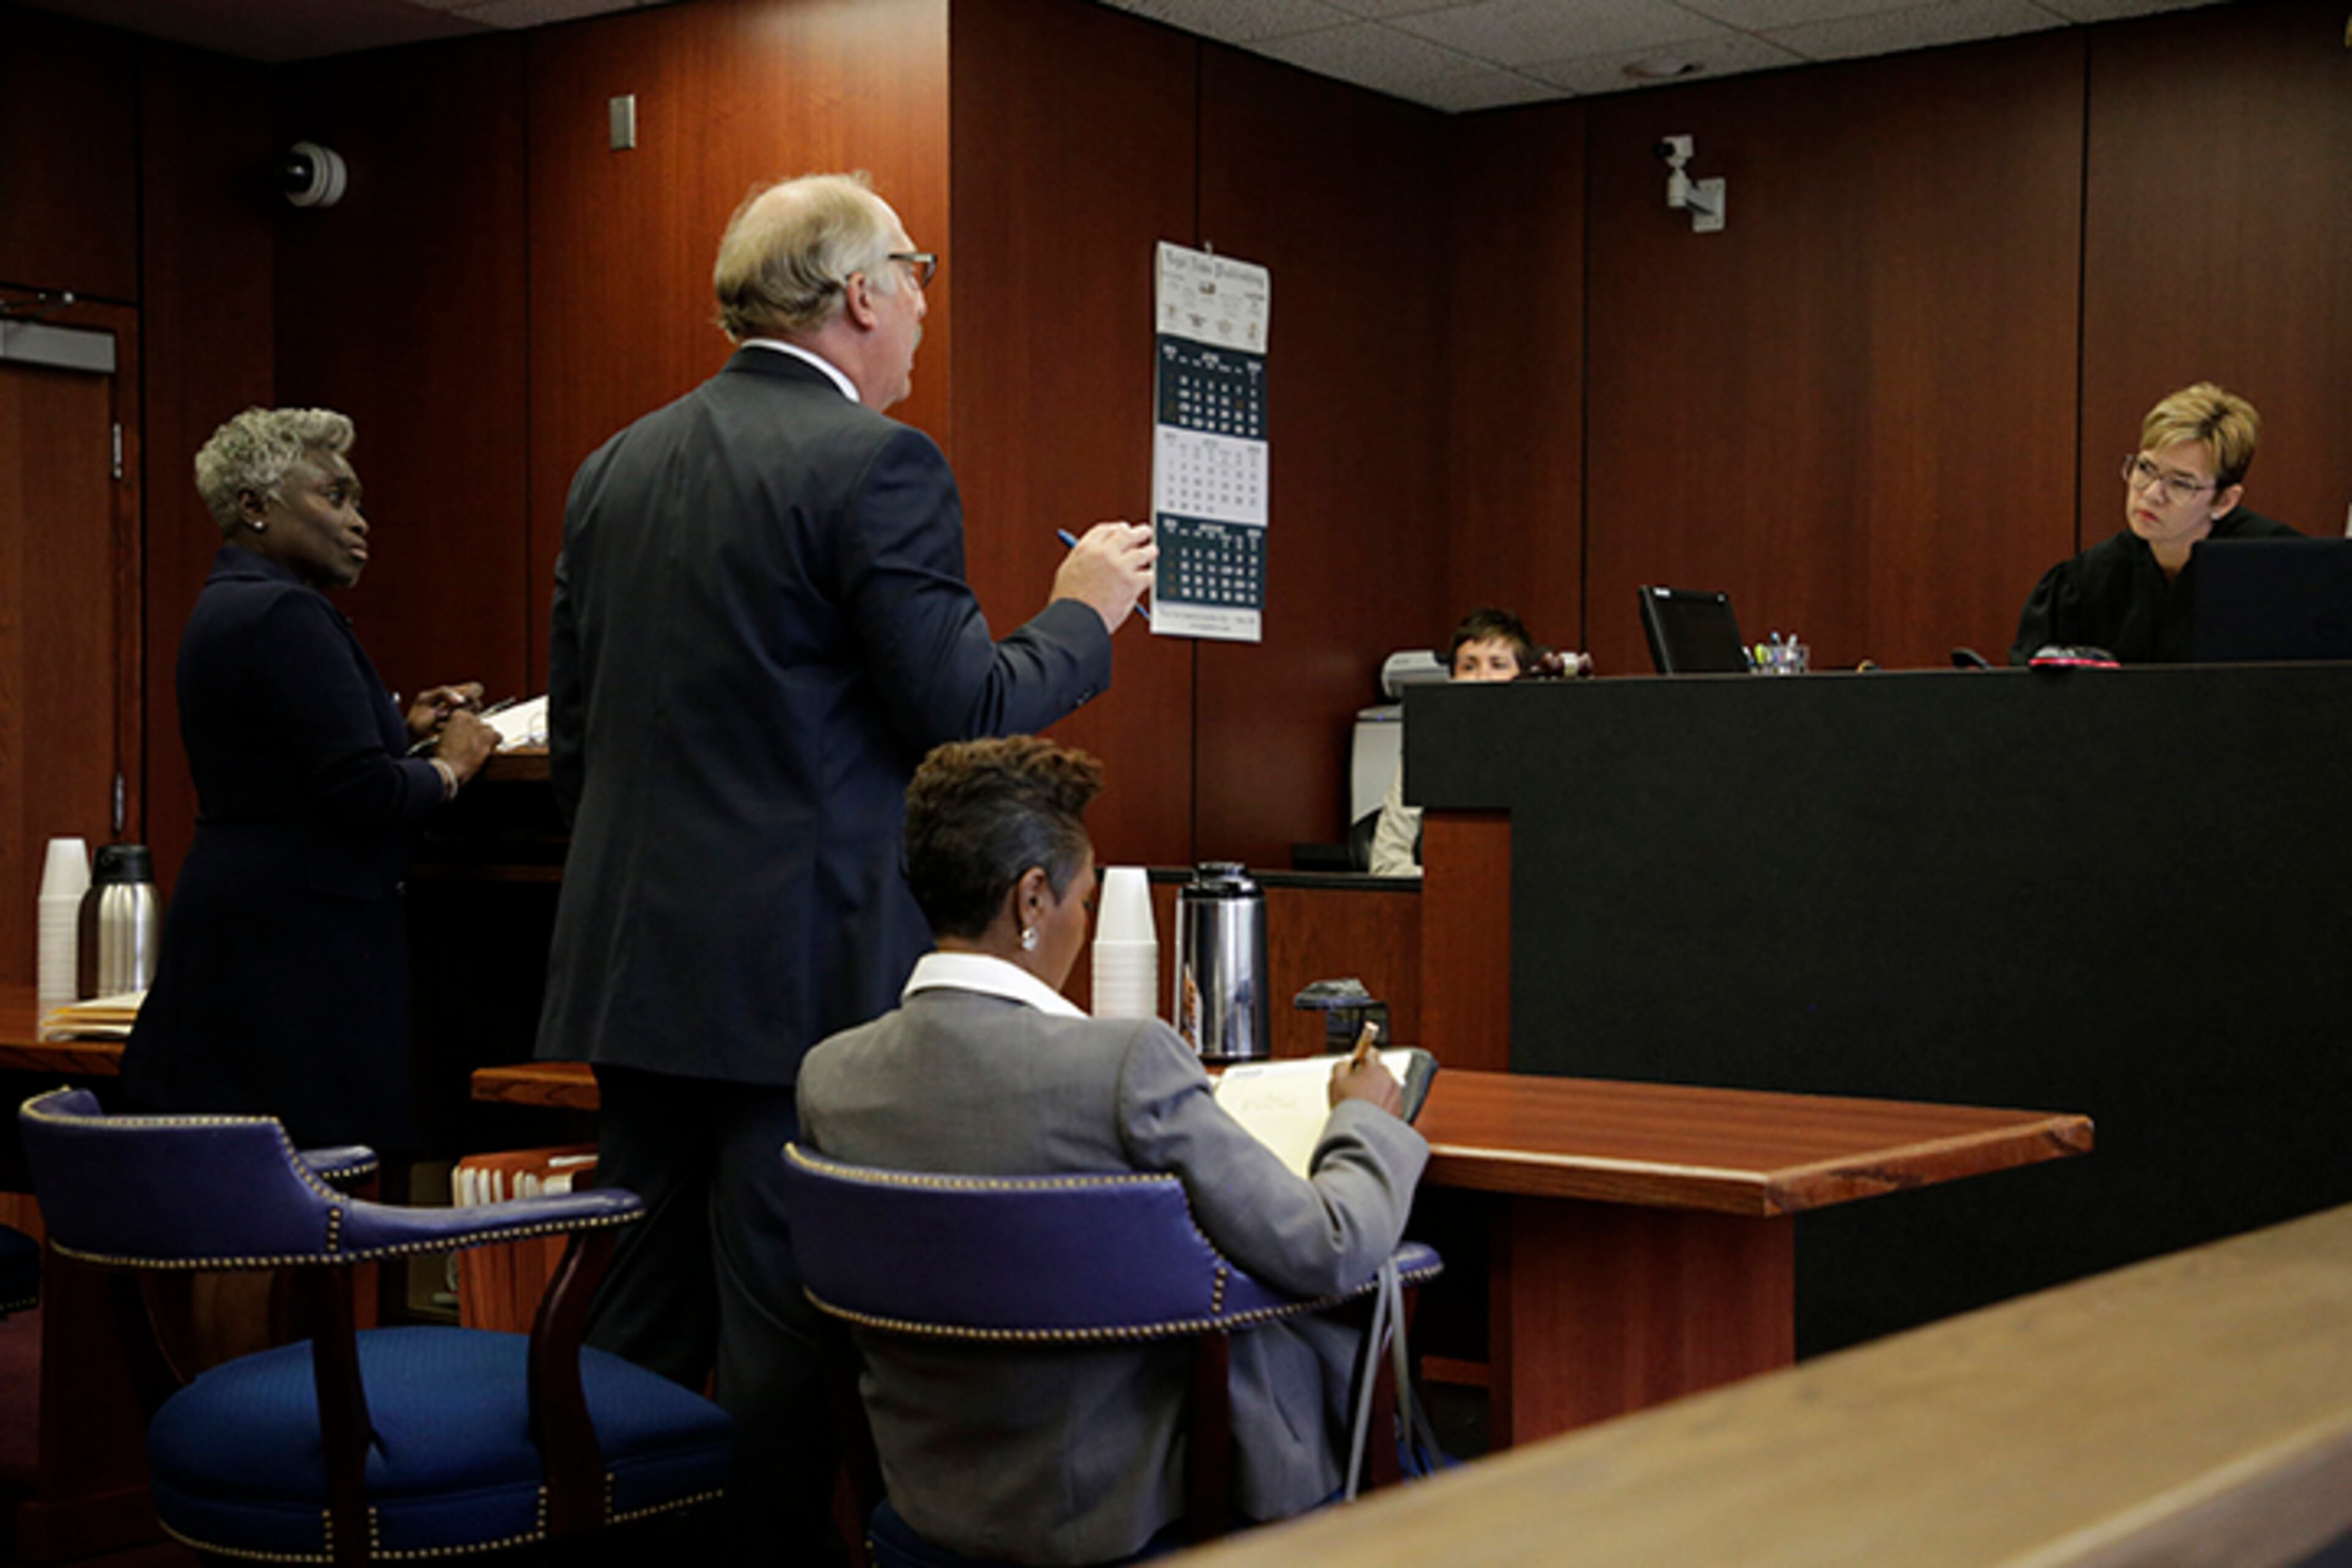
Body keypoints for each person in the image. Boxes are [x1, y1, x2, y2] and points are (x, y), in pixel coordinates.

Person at [532, 172, 1155, 1558]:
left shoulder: (614, 464)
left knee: (630, 1320)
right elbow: (965, 706)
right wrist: (1082, 612)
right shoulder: (877, 462)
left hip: (633, 971)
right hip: (796, 980)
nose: (926, 304)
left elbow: (579, 748)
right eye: (915, 272)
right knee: (776, 1341)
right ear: (859, 293)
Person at [799, 736, 1427, 1566]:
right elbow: (1330, 1246)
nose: (1083, 925)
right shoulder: (1124, 1065)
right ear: (1032, 900)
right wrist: (1366, 1121)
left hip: (928, 1503)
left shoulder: (831, 1076)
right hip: (1126, 1507)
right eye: (1083, 901)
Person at [121, 407, 499, 1150]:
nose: (359, 522)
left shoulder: (226, 604)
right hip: (294, 949)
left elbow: (284, 762)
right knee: (267, 1198)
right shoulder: (287, 613)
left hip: (240, 922)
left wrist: (401, 730)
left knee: (230, 1181)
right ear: (254, 507)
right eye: (335, 496)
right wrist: (453, 768)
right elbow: (364, 795)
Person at [2010, 382, 2297, 664]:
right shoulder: (2087, 581)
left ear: (2224, 502)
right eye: (2146, 468)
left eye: (2181, 484)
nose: (2150, 494)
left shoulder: (2283, 571)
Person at [1368, 606, 1543, 877]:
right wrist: (1448, 885)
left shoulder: (1545, 751)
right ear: (1452, 679)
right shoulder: (1429, 749)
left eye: (1498, 665)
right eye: (1469, 666)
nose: (1482, 678)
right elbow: (1385, 862)